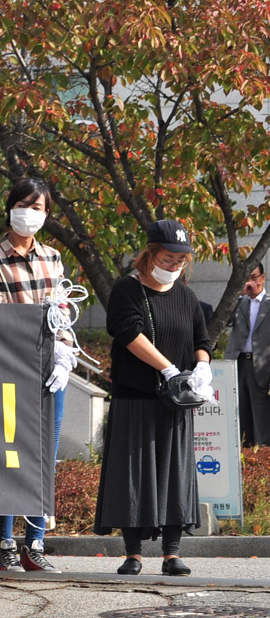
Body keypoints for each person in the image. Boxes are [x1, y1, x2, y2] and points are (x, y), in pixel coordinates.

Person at [94, 220, 211, 576]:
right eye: (169, 257)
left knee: (174, 473)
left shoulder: (186, 295)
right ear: (150, 253)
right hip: (136, 396)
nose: (175, 264)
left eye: (181, 259)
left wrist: (202, 367)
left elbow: (202, 341)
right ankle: (133, 553)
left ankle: (172, 553)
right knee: (134, 474)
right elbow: (129, 332)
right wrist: (167, 368)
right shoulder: (127, 289)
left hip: (175, 403)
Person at [0, 178, 70, 574]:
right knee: (9, 454)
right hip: (11, 367)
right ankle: (4, 543)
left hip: (52, 369)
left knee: (43, 457)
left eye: (38, 207)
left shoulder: (52, 256)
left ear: (47, 214)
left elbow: (63, 306)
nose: (29, 213)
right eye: (23, 204)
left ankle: (35, 543)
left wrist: (64, 349)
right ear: (10, 207)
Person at [229, 263, 270, 446]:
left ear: (263, 277)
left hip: (262, 364)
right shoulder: (240, 301)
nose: (250, 282)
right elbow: (225, 320)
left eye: (254, 277)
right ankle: (243, 455)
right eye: (247, 278)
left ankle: (262, 455)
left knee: (260, 413)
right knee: (240, 409)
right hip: (238, 363)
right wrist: (240, 295)